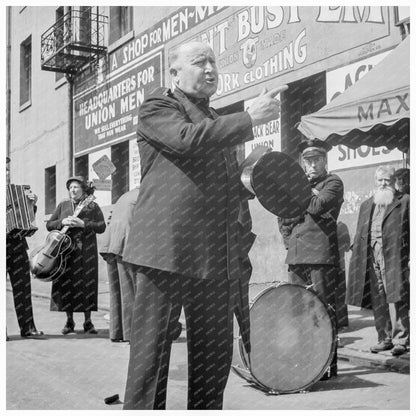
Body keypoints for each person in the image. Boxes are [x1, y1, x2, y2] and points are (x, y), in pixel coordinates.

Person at [121, 41, 287, 410]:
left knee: (212, 361)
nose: (210, 68)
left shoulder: (215, 121)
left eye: (213, 61)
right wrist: (249, 118)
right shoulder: (159, 106)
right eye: (200, 62)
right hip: (165, 253)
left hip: (215, 260)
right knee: (150, 358)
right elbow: (185, 141)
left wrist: (265, 182)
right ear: (175, 72)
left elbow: (229, 188)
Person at [278, 138, 344, 380]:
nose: (312, 165)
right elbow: (283, 216)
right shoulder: (304, 186)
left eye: (316, 160)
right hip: (296, 256)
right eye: (307, 161)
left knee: (322, 309)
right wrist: (288, 241)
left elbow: (316, 207)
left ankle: (327, 363)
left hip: (319, 256)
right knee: (298, 311)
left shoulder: (333, 182)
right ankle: (305, 359)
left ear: (325, 161)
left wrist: (300, 189)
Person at [346, 165, 409, 356]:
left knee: (396, 297)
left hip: (394, 256)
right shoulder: (367, 204)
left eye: (387, 180)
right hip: (371, 256)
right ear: (375, 181)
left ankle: (401, 340)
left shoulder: (405, 201)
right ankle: (384, 338)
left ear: (394, 182)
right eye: (380, 180)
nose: (383, 184)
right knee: (378, 297)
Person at [46, 176, 106, 335]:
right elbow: (49, 225)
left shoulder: (92, 206)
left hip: (86, 252)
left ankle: (88, 322)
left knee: (87, 284)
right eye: (70, 187)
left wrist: (84, 224)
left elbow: (102, 227)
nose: (72, 190)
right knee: (67, 285)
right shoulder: (63, 205)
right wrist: (62, 222)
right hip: (66, 252)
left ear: (83, 189)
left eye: (76, 187)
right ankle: (69, 321)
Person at [6, 157, 43, 339]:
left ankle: (27, 327)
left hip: (17, 245)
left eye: (6, 169)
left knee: (23, 289)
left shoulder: (16, 192)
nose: (5, 172)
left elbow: (26, 219)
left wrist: (31, 204)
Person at [99, 187, 140, 342]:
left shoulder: (126, 195)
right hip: (127, 244)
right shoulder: (147, 193)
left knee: (117, 293)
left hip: (112, 244)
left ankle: (117, 332)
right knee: (131, 291)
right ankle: (132, 334)